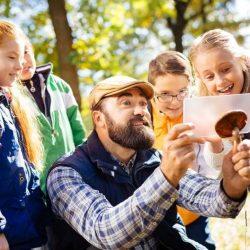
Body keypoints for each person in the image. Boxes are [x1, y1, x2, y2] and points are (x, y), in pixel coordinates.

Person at [47, 75, 250, 250]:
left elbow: (212, 201)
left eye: (144, 103)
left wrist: (231, 186)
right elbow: (105, 233)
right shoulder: (66, 174)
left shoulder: (154, 158)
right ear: (99, 118)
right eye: (126, 103)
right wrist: (166, 177)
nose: (141, 110)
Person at [148, 51, 215, 249]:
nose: (175, 101)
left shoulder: (201, 113)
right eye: (165, 95)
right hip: (158, 216)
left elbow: (211, 164)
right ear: (152, 92)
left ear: (192, 85)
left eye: (182, 92)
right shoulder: (145, 116)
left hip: (194, 213)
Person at [0, 20, 47, 249]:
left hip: (29, 228)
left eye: (21, 57)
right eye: (11, 57)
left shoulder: (8, 104)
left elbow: (24, 167)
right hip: (8, 235)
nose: (20, 66)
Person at [20, 37, 86, 193]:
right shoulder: (10, 97)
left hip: (72, 177)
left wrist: (84, 165)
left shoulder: (60, 86)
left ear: (32, 51)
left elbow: (78, 131)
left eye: (25, 52)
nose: (22, 61)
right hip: (37, 188)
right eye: (13, 56)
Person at [189, 28, 250, 174]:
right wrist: (215, 143)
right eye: (210, 77)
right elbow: (218, 165)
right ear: (201, 78)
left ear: (241, 61)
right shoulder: (209, 107)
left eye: (226, 69)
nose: (220, 82)